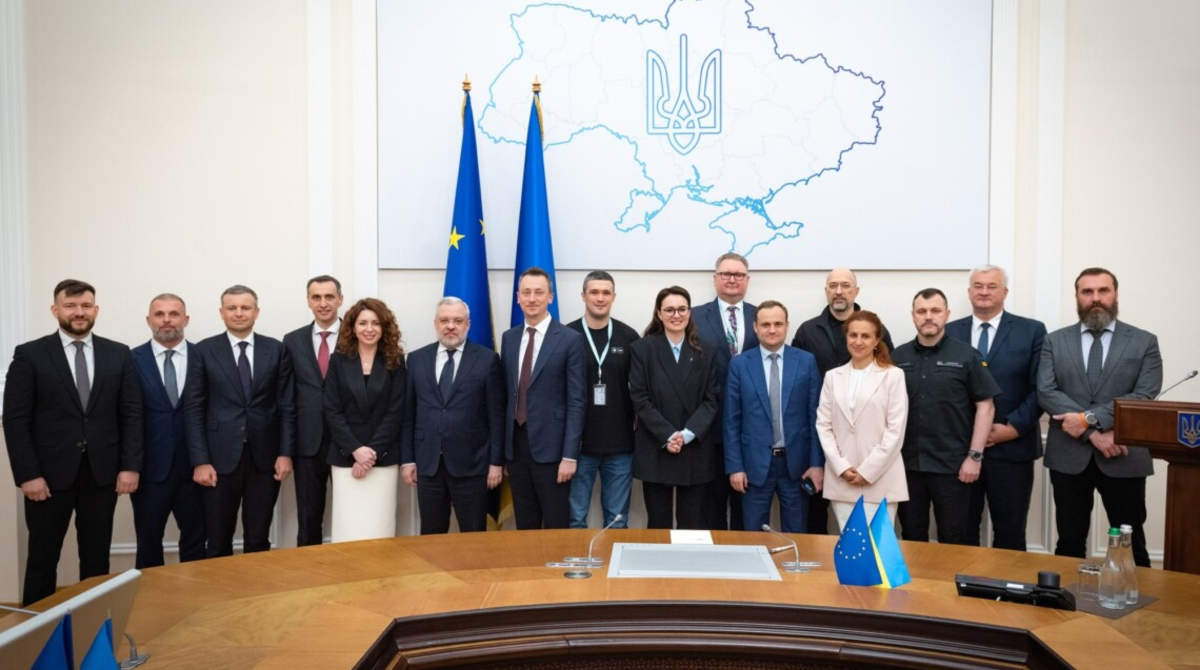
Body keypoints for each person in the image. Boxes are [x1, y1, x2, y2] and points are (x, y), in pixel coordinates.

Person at [3, 279, 143, 606]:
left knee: (96, 560)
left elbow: (132, 414)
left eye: (85, 306)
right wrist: (28, 475)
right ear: (55, 310)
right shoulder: (30, 355)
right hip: (47, 478)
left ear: (96, 310)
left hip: (102, 475)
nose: (79, 312)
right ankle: (37, 631)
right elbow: (16, 420)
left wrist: (130, 466)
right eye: (70, 306)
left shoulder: (118, 353)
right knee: (42, 559)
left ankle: (93, 627)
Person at [1038, 267, 1161, 567]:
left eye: (1103, 290)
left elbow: (1144, 395)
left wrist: (1088, 418)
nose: (1096, 298)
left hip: (1123, 453)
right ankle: (1068, 597)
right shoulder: (1055, 340)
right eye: (1087, 291)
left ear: (1115, 294)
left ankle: (1134, 596)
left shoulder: (1144, 341)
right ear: (1077, 297)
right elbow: (1046, 391)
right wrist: (1092, 432)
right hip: (1069, 457)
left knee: (1131, 544)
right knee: (1069, 542)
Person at [186, 285, 295, 557]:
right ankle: (221, 587)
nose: (238, 313)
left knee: (258, 538)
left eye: (245, 307)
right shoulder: (203, 350)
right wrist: (200, 460)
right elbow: (194, 409)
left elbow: (286, 406)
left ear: (256, 312)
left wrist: (285, 453)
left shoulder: (276, 349)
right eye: (231, 308)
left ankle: (255, 585)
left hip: (265, 458)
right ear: (221, 312)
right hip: (218, 459)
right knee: (218, 539)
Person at [945, 265, 1047, 550]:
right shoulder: (949, 331)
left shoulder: (1032, 331)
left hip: (1013, 450)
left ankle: (1009, 582)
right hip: (960, 451)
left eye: (992, 286)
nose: (984, 291)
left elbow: (1041, 387)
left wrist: (1012, 428)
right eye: (978, 286)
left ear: (1005, 292)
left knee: (1010, 535)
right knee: (962, 534)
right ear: (969, 292)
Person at [891, 288, 999, 546]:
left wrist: (974, 457)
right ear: (913, 316)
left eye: (935, 311)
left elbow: (986, 407)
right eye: (921, 311)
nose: (928, 316)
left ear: (947, 314)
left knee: (954, 540)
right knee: (912, 538)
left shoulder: (967, 355)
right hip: (906, 467)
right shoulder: (897, 357)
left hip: (954, 468)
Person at [791, 267, 895, 534]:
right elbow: (795, 384)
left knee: (869, 528)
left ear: (856, 291)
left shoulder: (877, 329)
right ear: (826, 291)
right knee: (815, 516)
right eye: (833, 285)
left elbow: (886, 377)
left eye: (846, 286)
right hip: (820, 439)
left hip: (869, 446)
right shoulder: (807, 331)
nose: (839, 291)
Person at [402, 297, 505, 533]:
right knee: (431, 535)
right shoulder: (416, 360)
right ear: (435, 323)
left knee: (473, 535)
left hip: (472, 466)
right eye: (444, 320)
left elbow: (496, 417)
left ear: (468, 324)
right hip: (428, 465)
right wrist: (408, 460)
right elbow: (408, 415)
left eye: (458, 321)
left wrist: (496, 463)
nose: (450, 326)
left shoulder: (488, 360)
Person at [724, 300, 823, 532]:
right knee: (754, 534)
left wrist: (816, 464)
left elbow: (816, 417)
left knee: (796, 533)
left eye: (778, 324)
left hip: (797, 466)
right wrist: (735, 467)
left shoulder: (806, 361)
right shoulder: (740, 365)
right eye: (765, 324)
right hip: (754, 466)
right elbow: (731, 421)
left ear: (787, 326)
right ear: (755, 327)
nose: (772, 329)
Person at [501, 267, 587, 529]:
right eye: (526, 292)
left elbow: (576, 401)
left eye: (539, 292)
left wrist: (570, 456)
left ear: (550, 297)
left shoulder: (570, 339)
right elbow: (506, 394)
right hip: (516, 448)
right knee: (525, 523)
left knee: (555, 523)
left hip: (553, 451)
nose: (532, 298)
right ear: (518, 297)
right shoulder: (509, 338)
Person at [629, 286, 721, 529]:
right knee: (658, 525)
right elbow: (639, 398)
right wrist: (668, 435)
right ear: (659, 313)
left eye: (682, 309)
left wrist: (686, 434)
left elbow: (712, 399)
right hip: (657, 447)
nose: (676, 315)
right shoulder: (642, 349)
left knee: (693, 525)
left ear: (690, 312)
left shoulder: (707, 350)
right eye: (669, 310)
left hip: (694, 448)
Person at [130, 293, 206, 568]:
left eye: (174, 314)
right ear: (148, 320)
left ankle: (197, 594)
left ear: (186, 319)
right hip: (149, 470)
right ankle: (150, 595)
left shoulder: (204, 356)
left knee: (196, 541)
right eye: (159, 314)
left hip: (195, 468)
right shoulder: (131, 359)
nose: (166, 320)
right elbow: (127, 416)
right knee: (148, 543)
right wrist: (129, 465)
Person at [816, 310, 909, 530]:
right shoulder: (832, 376)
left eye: (865, 336)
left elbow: (895, 431)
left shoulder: (893, 375)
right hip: (843, 480)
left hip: (880, 479)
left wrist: (868, 471)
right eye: (853, 335)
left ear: (877, 340)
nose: (858, 342)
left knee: (877, 545)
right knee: (849, 545)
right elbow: (823, 425)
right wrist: (841, 467)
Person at [323, 298, 406, 542]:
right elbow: (332, 409)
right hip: (345, 458)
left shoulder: (395, 360)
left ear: (384, 327)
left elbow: (396, 411)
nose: (369, 329)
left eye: (375, 323)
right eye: (363, 323)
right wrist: (355, 450)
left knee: (379, 527)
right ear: (352, 327)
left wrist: (372, 452)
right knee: (348, 528)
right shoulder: (338, 360)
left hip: (383, 459)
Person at [565, 271, 640, 528]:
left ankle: (613, 557)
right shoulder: (566, 335)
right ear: (583, 296)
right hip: (577, 447)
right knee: (574, 519)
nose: (600, 298)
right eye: (594, 292)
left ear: (614, 297)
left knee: (617, 520)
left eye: (606, 292)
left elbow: (640, 391)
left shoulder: (629, 337)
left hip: (620, 445)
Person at [692, 252, 757, 530]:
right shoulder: (694, 316)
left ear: (747, 280)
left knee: (747, 510)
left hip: (752, 430)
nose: (732, 279)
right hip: (710, 428)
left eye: (738, 274)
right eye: (726, 274)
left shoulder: (762, 316)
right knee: (712, 509)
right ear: (715, 278)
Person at [282, 275, 344, 546]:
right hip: (307, 443)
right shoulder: (292, 340)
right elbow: (286, 396)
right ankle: (309, 569)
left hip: (348, 442)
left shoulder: (358, 335)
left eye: (329, 296)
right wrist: (286, 447)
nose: (323, 303)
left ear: (340, 299)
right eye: (316, 297)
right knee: (308, 519)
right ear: (308, 301)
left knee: (350, 515)